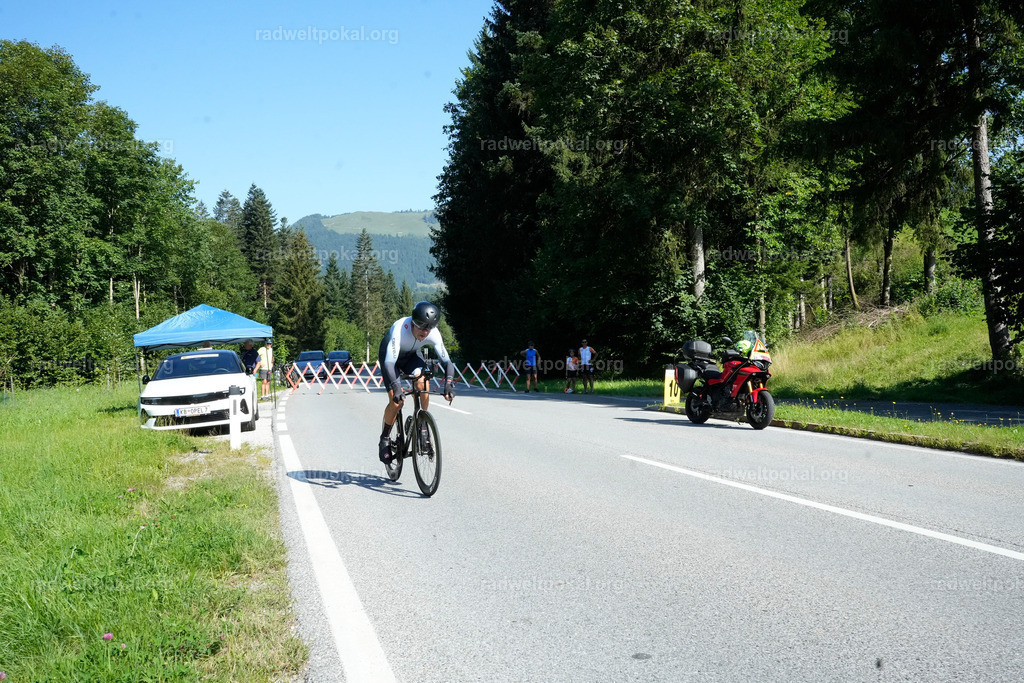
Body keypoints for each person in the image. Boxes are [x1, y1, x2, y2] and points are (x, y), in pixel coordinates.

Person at [378, 301, 456, 463]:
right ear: (413, 323)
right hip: (390, 359)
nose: (425, 332)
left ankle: (422, 424)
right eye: (421, 327)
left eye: (429, 328)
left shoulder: (433, 333)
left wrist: (448, 384)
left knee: (422, 383)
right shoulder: (400, 329)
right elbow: (389, 363)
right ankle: (385, 437)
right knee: (397, 401)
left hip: (412, 356)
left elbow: (447, 362)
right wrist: (396, 387)